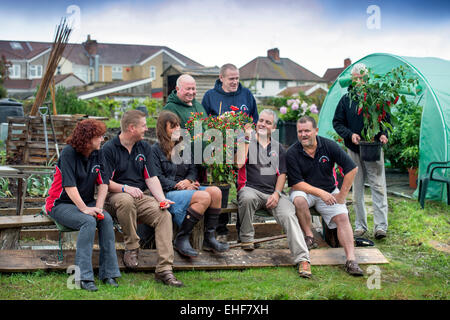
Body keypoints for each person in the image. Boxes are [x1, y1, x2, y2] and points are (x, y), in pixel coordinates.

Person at [102, 109, 183, 287]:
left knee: (164, 214)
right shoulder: (109, 149)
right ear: (132, 128)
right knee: (125, 200)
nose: (147, 129)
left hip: (139, 197)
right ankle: (132, 246)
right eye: (144, 126)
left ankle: (164, 270)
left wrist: (161, 199)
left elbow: (150, 177)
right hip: (114, 196)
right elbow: (104, 182)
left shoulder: (143, 147)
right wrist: (125, 188)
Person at [45, 119, 121, 291]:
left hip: (86, 202)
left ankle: (109, 274)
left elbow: (103, 183)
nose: (103, 139)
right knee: (88, 221)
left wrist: (99, 208)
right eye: (100, 136)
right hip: (61, 203)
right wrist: (85, 209)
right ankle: (83, 277)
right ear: (88, 138)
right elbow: (69, 187)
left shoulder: (98, 153)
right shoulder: (68, 153)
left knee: (106, 219)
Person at [235, 109, 312, 278]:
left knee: (288, 214)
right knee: (246, 197)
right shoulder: (246, 140)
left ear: (274, 127)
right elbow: (239, 164)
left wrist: (277, 193)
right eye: (261, 120)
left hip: (273, 193)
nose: (262, 124)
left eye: (267, 122)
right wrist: (246, 138)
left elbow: (282, 174)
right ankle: (247, 239)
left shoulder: (278, 147)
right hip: (251, 189)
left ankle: (303, 259)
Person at [287, 116, 364, 276]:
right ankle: (309, 237)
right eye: (300, 132)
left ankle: (351, 260)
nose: (303, 134)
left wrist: (342, 194)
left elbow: (352, 168)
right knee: (298, 199)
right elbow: (296, 184)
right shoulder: (292, 152)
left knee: (343, 217)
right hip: (306, 192)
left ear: (316, 131)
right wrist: (320, 193)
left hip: (329, 190)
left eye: (307, 131)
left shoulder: (329, 146)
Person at [150, 111, 229, 257]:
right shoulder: (155, 150)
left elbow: (193, 170)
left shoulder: (183, 147)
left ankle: (209, 237)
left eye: (178, 126)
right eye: (172, 127)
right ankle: (182, 238)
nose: (177, 130)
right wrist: (178, 185)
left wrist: (189, 181)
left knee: (216, 192)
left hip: (186, 189)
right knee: (204, 197)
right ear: (163, 129)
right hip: (167, 192)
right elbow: (157, 178)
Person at [202, 63, 259, 241]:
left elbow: (254, 119)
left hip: (243, 148)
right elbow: (204, 123)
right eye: (231, 78)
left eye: (237, 78)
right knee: (222, 190)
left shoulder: (246, 95)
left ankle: (243, 230)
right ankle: (221, 230)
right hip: (220, 149)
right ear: (221, 78)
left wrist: (248, 132)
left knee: (244, 188)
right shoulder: (210, 96)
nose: (235, 82)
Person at [332, 63, 389, 240]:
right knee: (356, 188)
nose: (359, 81)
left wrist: (383, 135)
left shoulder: (376, 99)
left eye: (362, 78)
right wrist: (350, 135)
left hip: (373, 149)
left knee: (378, 187)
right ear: (352, 78)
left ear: (367, 78)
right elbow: (337, 123)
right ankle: (360, 226)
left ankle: (380, 227)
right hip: (354, 150)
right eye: (356, 78)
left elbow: (385, 120)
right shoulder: (346, 100)